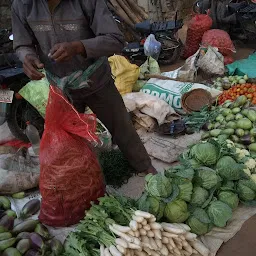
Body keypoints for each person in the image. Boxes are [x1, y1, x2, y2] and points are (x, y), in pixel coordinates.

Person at [12, 0, 157, 175]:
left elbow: (115, 40)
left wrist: (79, 47)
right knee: (68, 139)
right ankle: (82, 180)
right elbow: (22, 44)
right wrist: (27, 57)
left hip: (96, 79)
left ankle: (143, 165)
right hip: (60, 86)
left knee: (121, 126)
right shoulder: (22, 5)